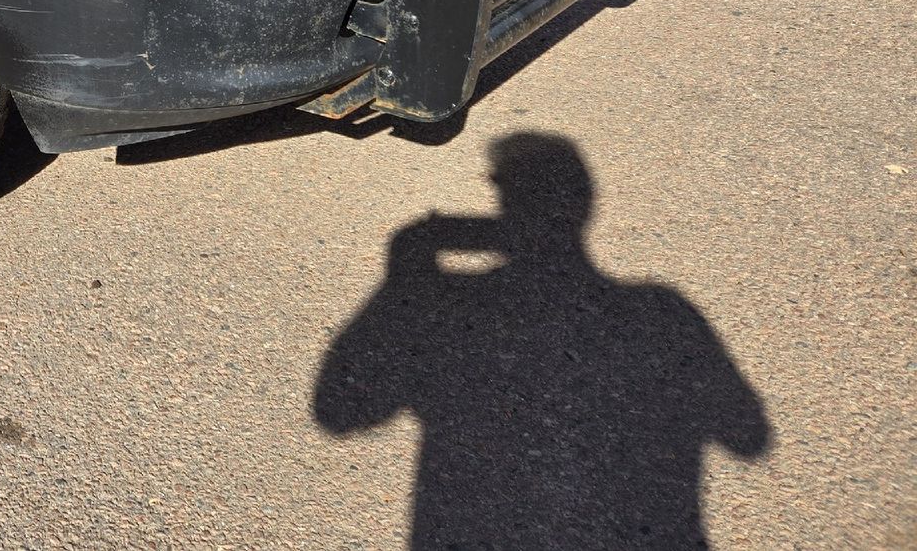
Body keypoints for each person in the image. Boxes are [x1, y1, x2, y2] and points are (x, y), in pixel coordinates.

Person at [314, 133, 768, 549]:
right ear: (584, 205)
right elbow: (746, 434)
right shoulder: (662, 312)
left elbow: (340, 410)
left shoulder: (451, 305)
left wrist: (403, 276)